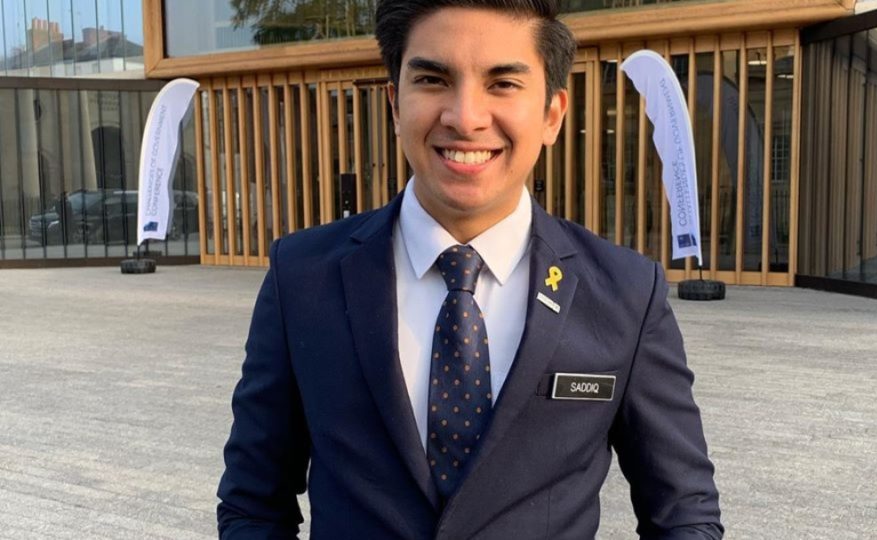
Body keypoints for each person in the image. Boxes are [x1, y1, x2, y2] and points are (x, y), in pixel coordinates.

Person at [216, 0, 723, 538]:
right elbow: (253, 503)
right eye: (433, 79)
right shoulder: (302, 277)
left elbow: (684, 513)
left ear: (552, 114)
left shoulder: (624, 292)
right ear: (394, 102)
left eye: (502, 83)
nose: (465, 117)